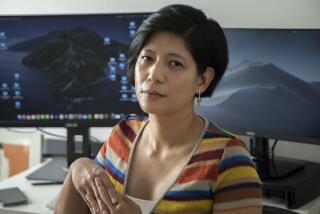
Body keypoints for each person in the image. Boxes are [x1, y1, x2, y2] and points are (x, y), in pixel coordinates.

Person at [55, 4, 262, 214]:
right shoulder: (123, 134)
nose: (153, 75)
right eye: (147, 58)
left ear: (202, 80)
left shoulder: (230, 160)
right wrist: (77, 167)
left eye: (174, 63)